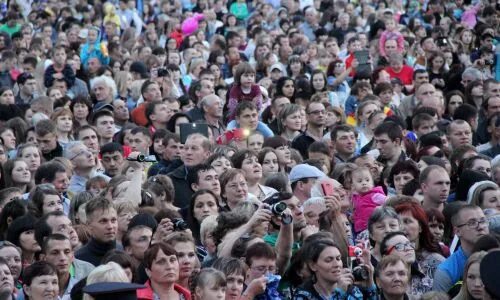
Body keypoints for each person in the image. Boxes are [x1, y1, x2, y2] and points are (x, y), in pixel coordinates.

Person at [293, 237, 377, 299]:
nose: (336, 264)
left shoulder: (353, 291)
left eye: (338, 258)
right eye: (328, 260)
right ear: (313, 266)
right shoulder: (302, 295)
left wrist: (370, 285)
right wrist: (339, 293)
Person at [433, 205, 489, 292]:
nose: (481, 227)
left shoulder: (496, 256)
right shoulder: (447, 271)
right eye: (472, 223)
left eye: (483, 221)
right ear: (457, 231)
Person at [75, 197, 119, 266]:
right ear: (89, 225)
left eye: (113, 220)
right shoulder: (78, 259)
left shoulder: (127, 252)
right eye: (103, 221)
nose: (110, 226)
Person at [351, 167, 386, 234]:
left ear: (372, 183)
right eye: (360, 181)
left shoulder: (375, 195)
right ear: (353, 186)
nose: (364, 183)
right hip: (360, 230)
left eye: (367, 180)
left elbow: (388, 201)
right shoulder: (356, 198)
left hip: (373, 228)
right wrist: (354, 217)